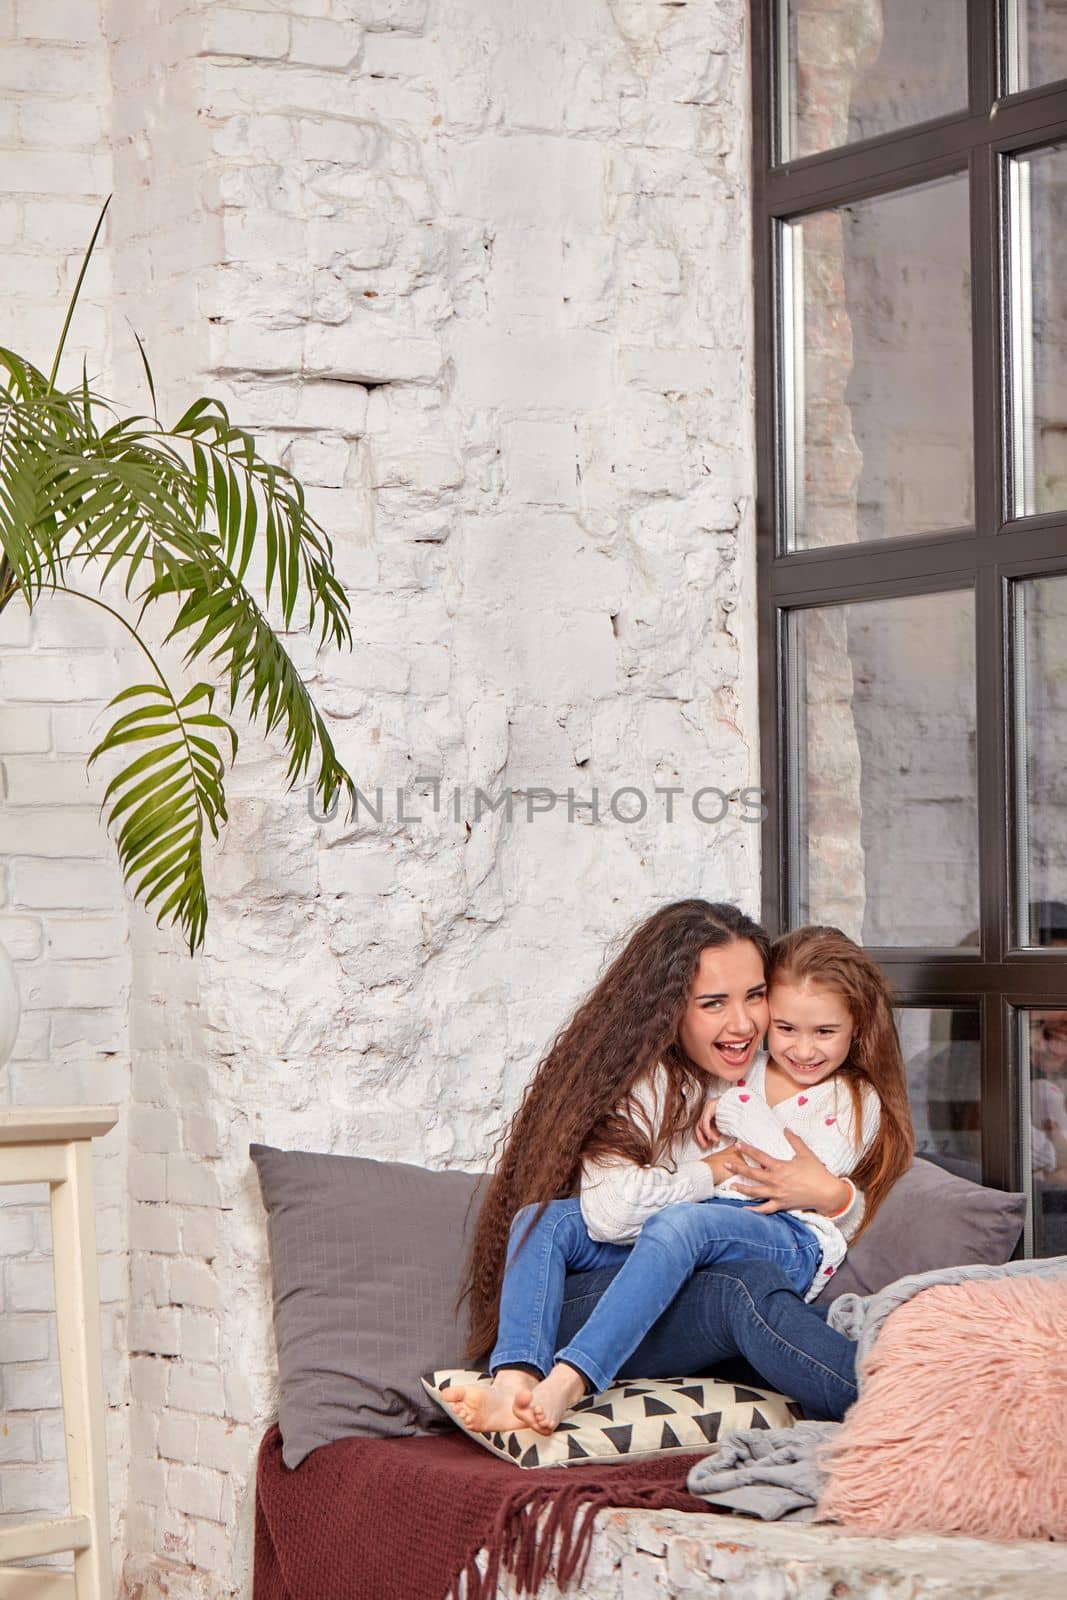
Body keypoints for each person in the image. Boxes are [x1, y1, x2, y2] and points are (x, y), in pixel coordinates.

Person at [453, 902, 910, 1433]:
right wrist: (711, 1169)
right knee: (545, 1219)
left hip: (745, 1251)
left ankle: (897, 1407)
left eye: (755, 996)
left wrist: (834, 1196)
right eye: (714, 1002)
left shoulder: (824, 1091)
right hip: (601, 1299)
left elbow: (812, 1194)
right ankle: (514, 1378)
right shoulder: (660, 1080)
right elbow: (611, 1215)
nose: (744, 1024)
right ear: (671, 1008)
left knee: (734, 1274)